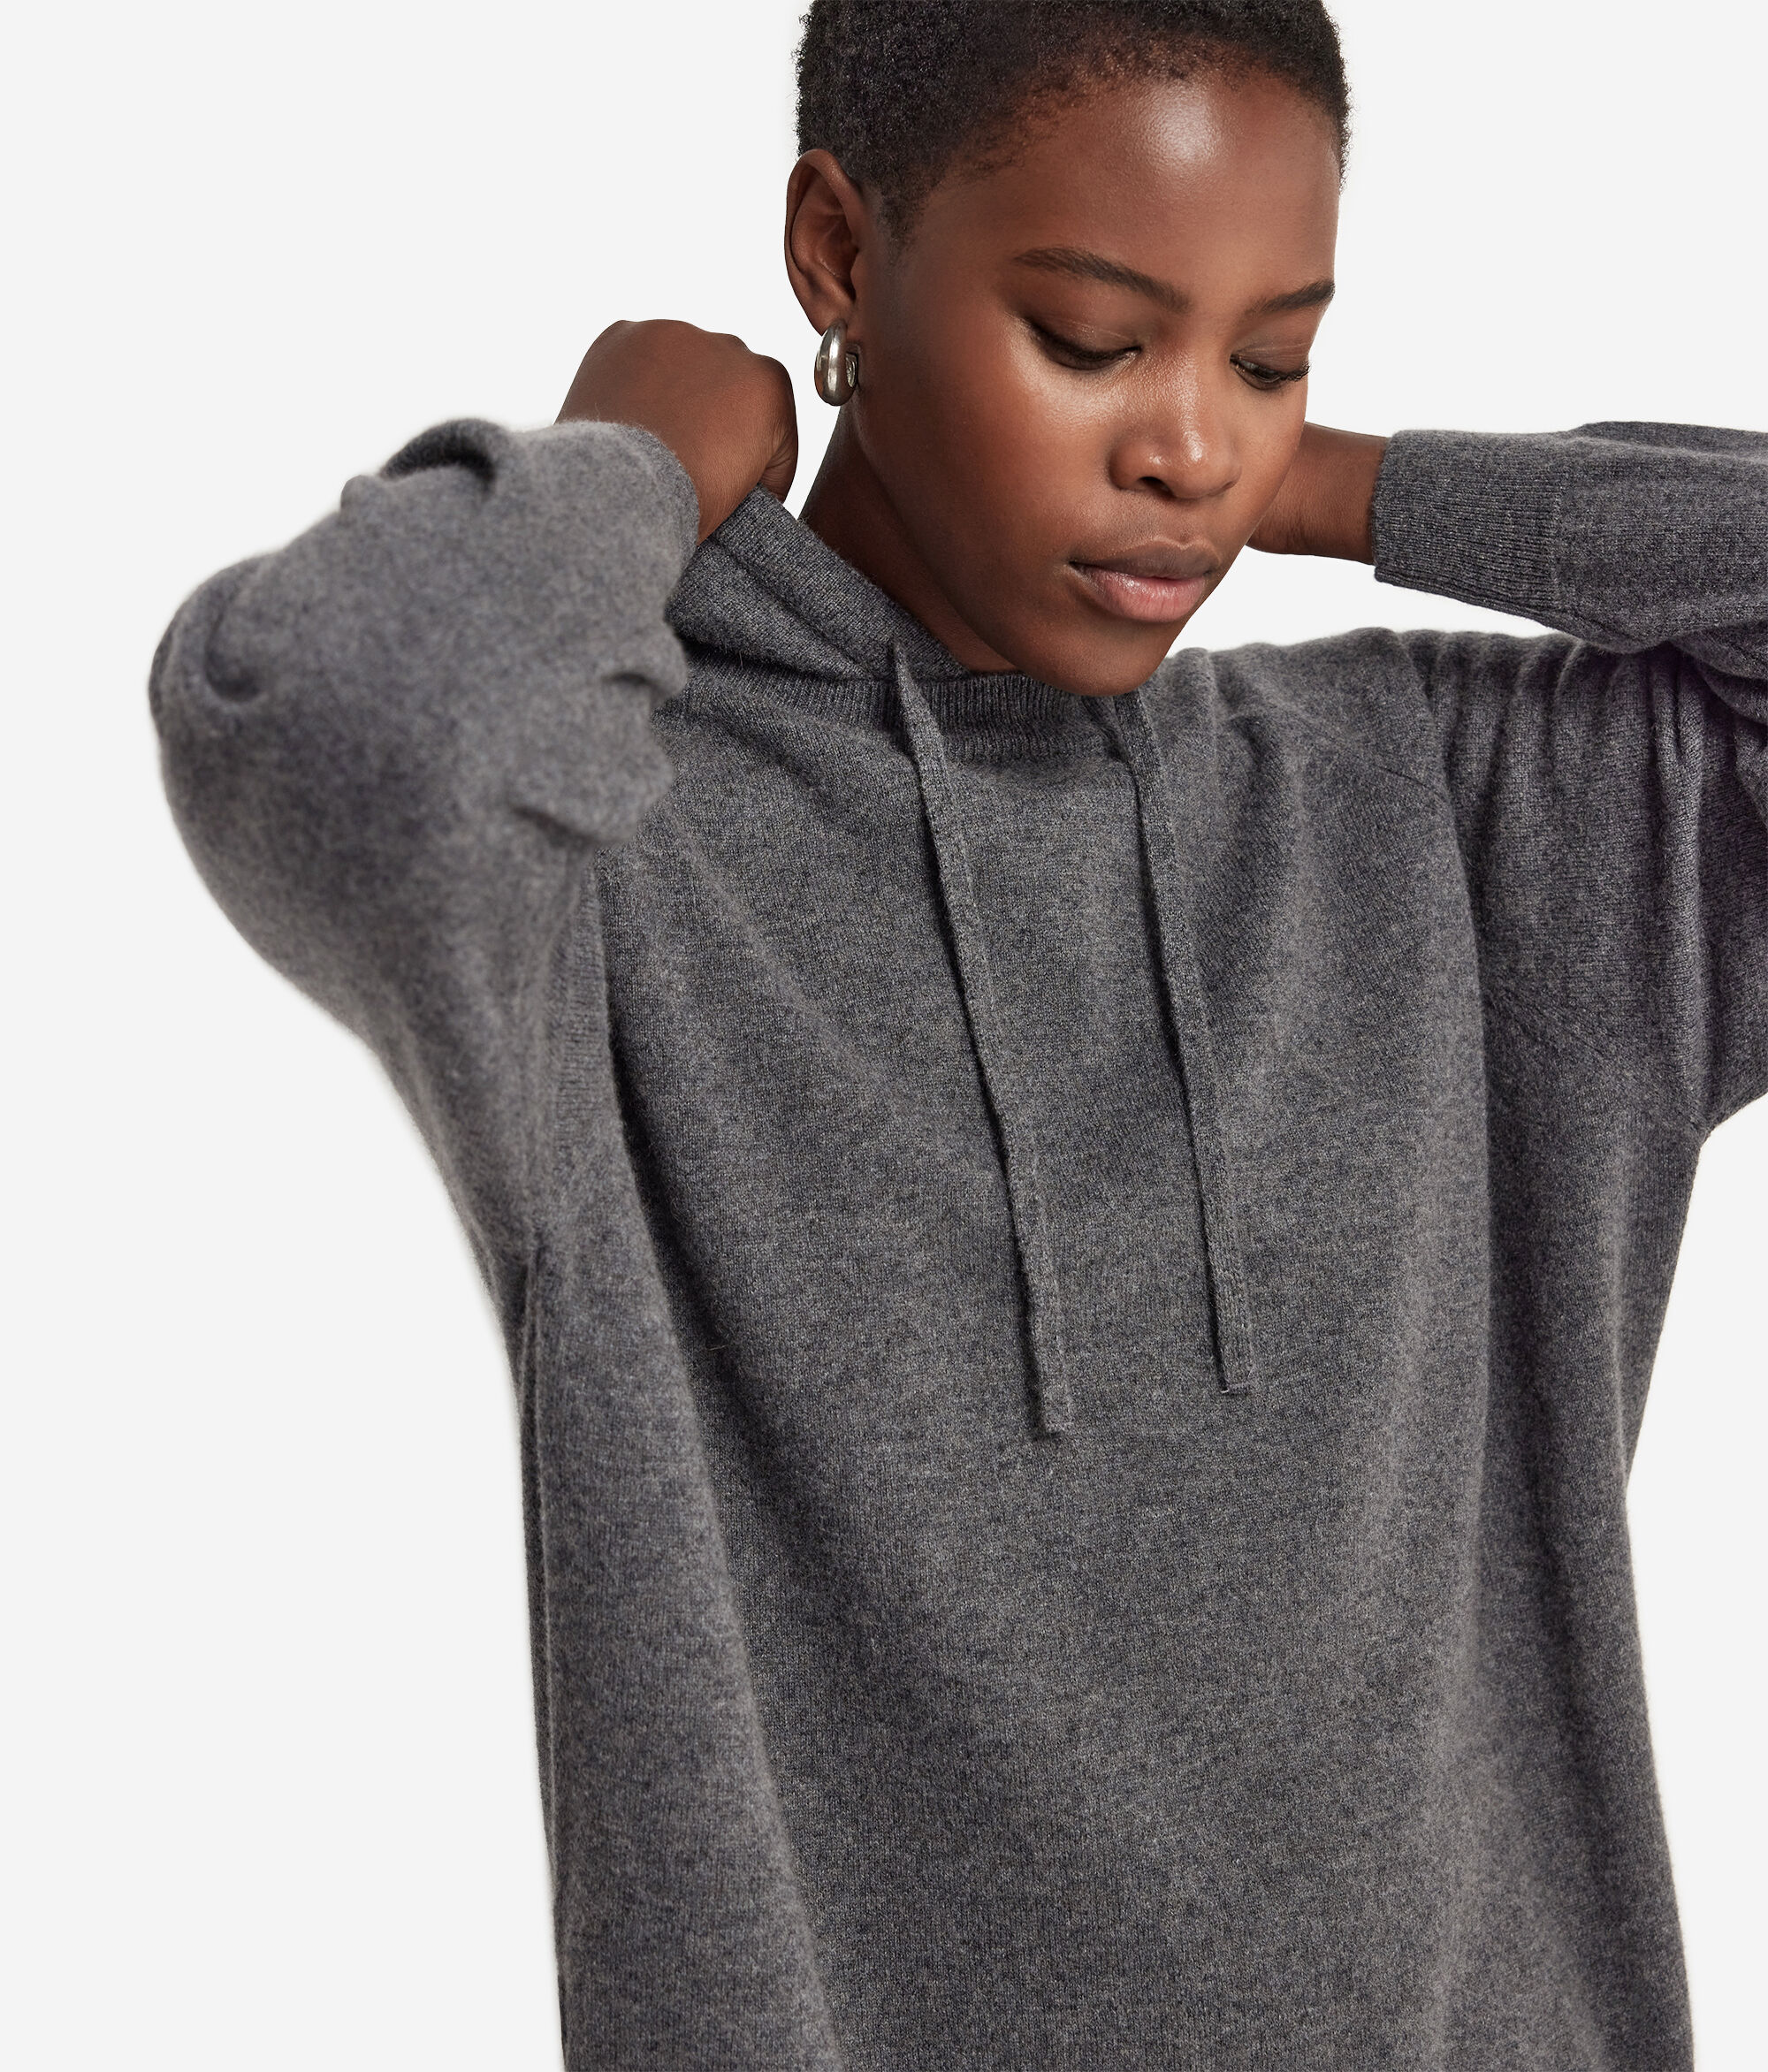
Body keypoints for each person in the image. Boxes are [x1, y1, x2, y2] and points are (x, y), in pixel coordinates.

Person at [149, 0, 1766, 2065]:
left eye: (1268, 358)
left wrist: (1354, 488)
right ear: (838, 254)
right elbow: (343, 729)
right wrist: (623, 467)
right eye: (1093, 340)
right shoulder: (611, 849)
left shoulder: (1452, 819)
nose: (1189, 445)